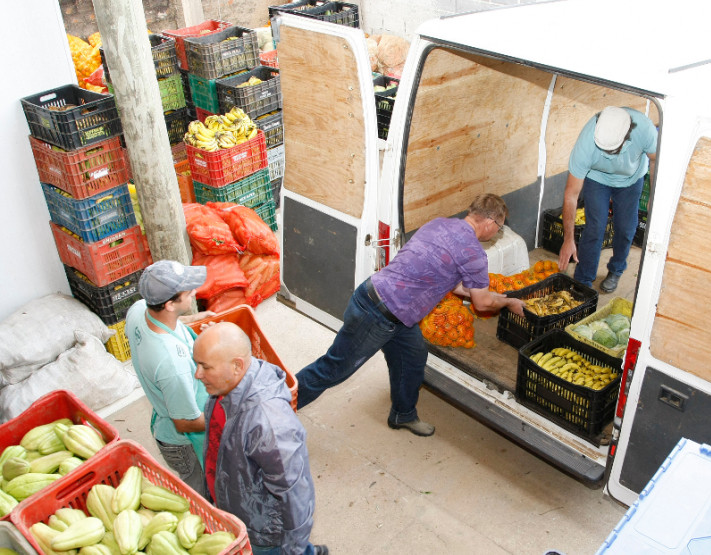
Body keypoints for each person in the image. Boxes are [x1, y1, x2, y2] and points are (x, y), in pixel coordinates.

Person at [295, 193, 526, 436]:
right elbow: (481, 304)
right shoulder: (473, 253)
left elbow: (451, 282)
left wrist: (498, 298)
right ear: (490, 223)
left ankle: (402, 414)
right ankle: (275, 405)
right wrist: (509, 302)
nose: (497, 234)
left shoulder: (439, 224)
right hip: (378, 315)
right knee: (332, 369)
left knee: (413, 357)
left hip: (384, 303)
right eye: (499, 229)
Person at [193, 322, 327, 555]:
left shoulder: (270, 424)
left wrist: (293, 549)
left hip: (262, 532)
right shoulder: (222, 388)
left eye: (205, 366)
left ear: (237, 365)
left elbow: (295, 493)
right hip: (236, 506)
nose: (198, 374)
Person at [126, 260, 213, 495]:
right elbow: (184, 422)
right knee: (200, 492)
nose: (194, 291)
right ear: (169, 304)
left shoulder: (138, 310)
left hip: (166, 405)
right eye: (188, 290)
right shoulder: (172, 365)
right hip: (183, 444)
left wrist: (198, 317)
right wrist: (230, 419)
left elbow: (169, 323)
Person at [558, 106, 658, 293]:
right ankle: (583, 281)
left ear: (627, 135)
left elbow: (655, 159)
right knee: (594, 227)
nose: (607, 154)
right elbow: (571, 195)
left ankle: (616, 269)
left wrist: (654, 195)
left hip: (630, 180)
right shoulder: (586, 143)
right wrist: (568, 239)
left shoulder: (645, 129)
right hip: (597, 179)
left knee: (625, 227)